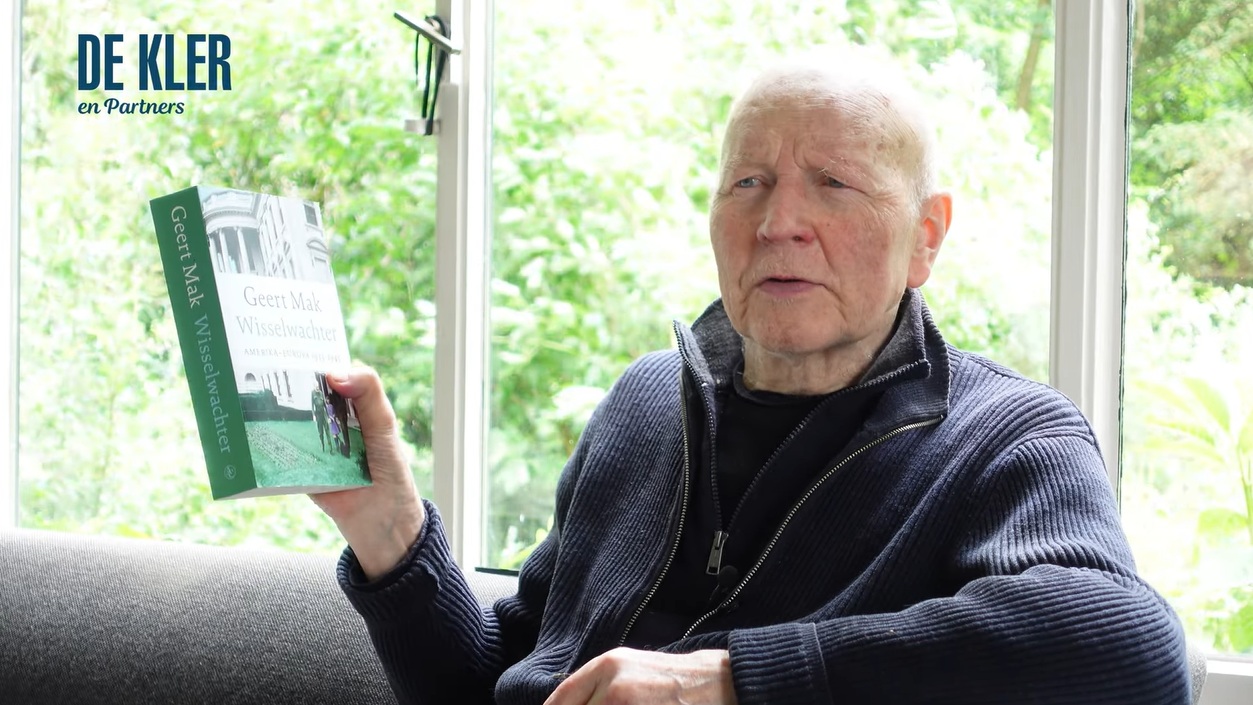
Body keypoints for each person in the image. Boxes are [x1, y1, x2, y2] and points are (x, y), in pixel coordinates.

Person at [312, 51, 1190, 704]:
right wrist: (390, 529)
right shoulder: (643, 403)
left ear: (924, 236)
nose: (778, 222)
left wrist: (734, 680)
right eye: (748, 181)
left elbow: (1130, 650)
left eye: (834, 183)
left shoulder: (1005, 436)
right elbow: (503, 674)